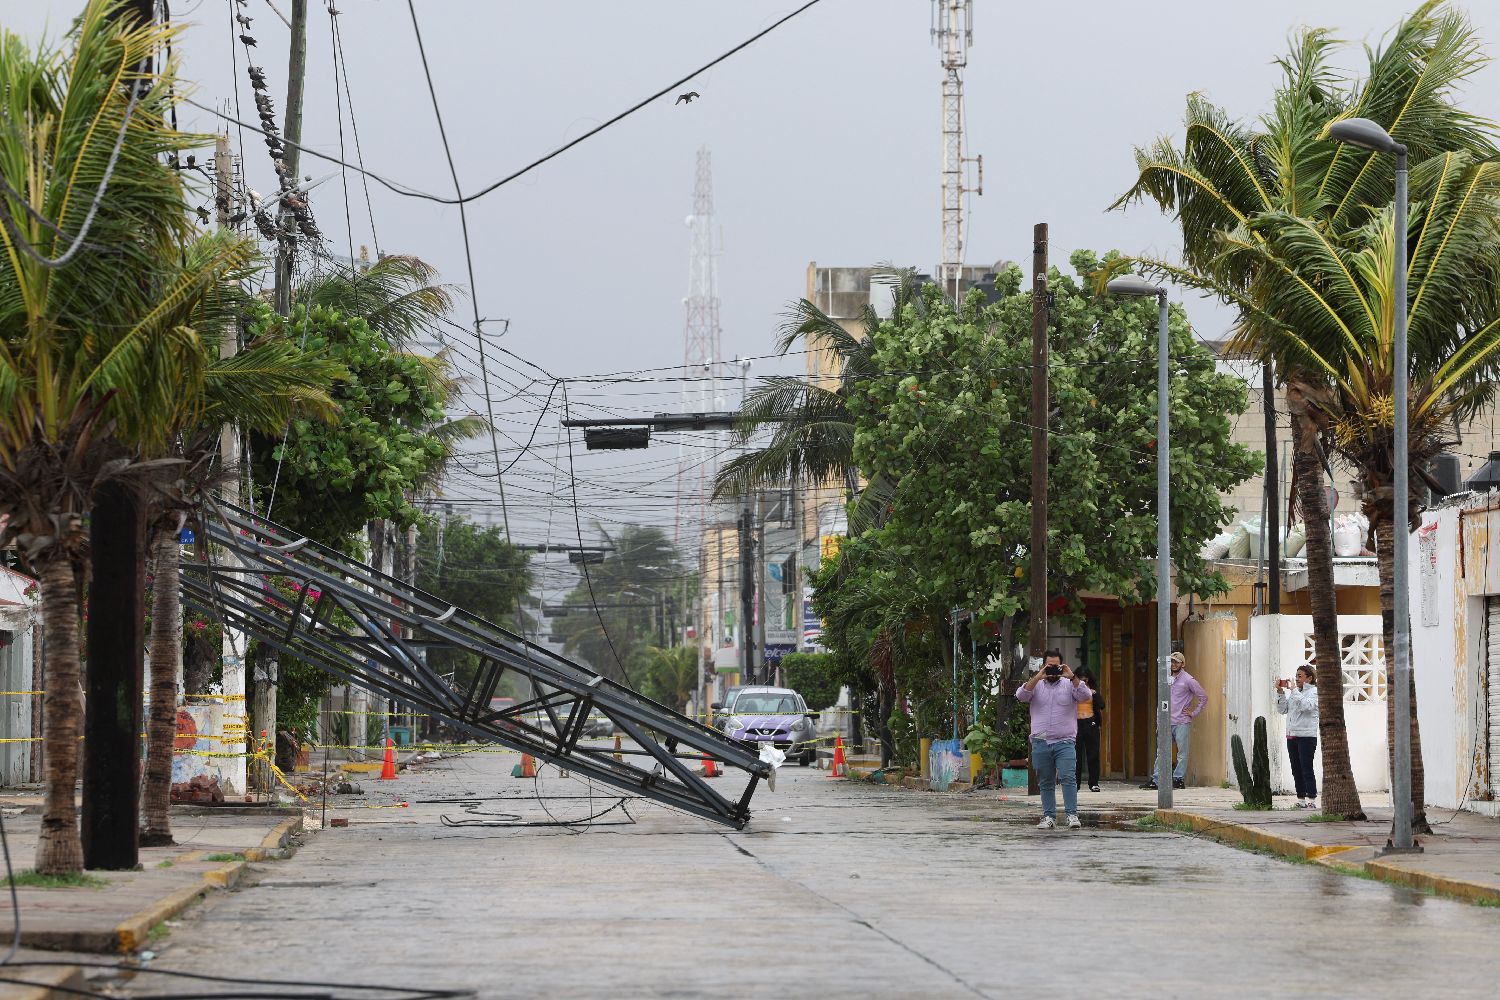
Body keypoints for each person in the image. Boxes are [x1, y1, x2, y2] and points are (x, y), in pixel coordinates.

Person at [1017, 649, 1092, 830]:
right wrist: (1038, 676)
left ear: (1062, 666)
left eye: (1056, 666)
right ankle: (1049, 817)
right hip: (1041, 740)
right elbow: (1021, 696)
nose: (1052, 670)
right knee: (1046, 781)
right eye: (1049, 666)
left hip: (1064, 740)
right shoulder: (1036, 685)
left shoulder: (1069, 685)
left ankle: (1072, 815)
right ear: (1044, 665)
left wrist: (1072, 676)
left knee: (1068, 778)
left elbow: (1086, 696)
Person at [1140, 651, 1208, 790]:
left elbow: (1203, 697)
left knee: (1182, 752)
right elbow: (1161, 701)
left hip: (1182, 721)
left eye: (1177, 662)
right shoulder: (1166, 679)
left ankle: (1178, 779)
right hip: (1166, 721)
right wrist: (1159, 722)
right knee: (1161, 751)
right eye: (1172, 661)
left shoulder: (1189, 680)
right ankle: (1157, 779)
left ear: (1183, 664)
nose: (1174, 664)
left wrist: (1193, 712)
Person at [1277, 666, 1319, 809]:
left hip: (1306, 736)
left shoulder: (1314, 692)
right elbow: (1283, 710)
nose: (1296, 679)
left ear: (1309, 678)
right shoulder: (1296, 693)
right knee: (1296, 769)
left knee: (1306, 768)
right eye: (1296, 676)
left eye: (1300, 676)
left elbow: (1307, 706)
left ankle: (1311, 800)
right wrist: (1280, 692)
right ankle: (1301, 799)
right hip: (1292, 735)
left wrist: (1294, 691)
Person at [1074, 667, 1104, 793]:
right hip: (1075, 723)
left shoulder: (1093, 690)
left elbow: (1102, 705)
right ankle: (1076, 783)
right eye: (1081, 680)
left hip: (1090, 722)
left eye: (1085, 681)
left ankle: (1094, 783)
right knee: (1076, 755)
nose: (1083, 683)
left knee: (1093, 754)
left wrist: (1094, 694)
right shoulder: (1072, 690)